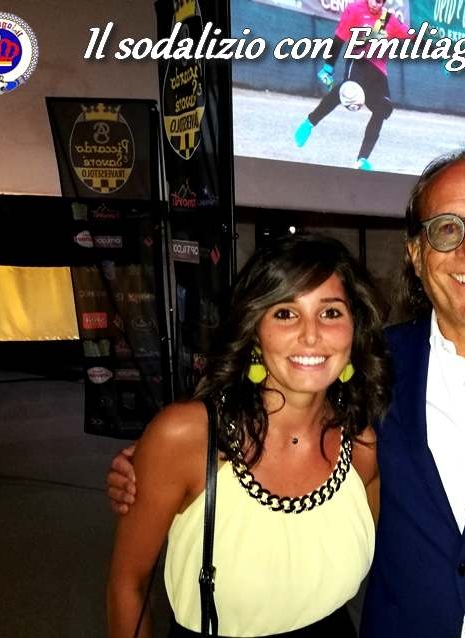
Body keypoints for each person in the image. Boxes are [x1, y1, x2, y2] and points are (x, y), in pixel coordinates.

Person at [111, 147, 465, 637]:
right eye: (446, 229)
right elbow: (286, 419)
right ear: (416, 253)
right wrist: (156, 465)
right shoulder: (376, 362)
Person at [106, 234, 391, 637]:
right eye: (285, 313)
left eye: (330, 313)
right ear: (254, 328)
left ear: (354, 328)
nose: (311, 335)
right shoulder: (190, 437)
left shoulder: (361, 446)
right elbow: (127, 585)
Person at [293, 0, 411, 171]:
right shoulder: (355, 9)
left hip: (379, 72)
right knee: (347, 89)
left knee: (383, 109)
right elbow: (339, 38)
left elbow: (413, 37)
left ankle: (362, 160)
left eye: (380, 2)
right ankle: (310, 123)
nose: (376, 5)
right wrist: (328, 67)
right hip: (358, 61)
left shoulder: (389, 20)